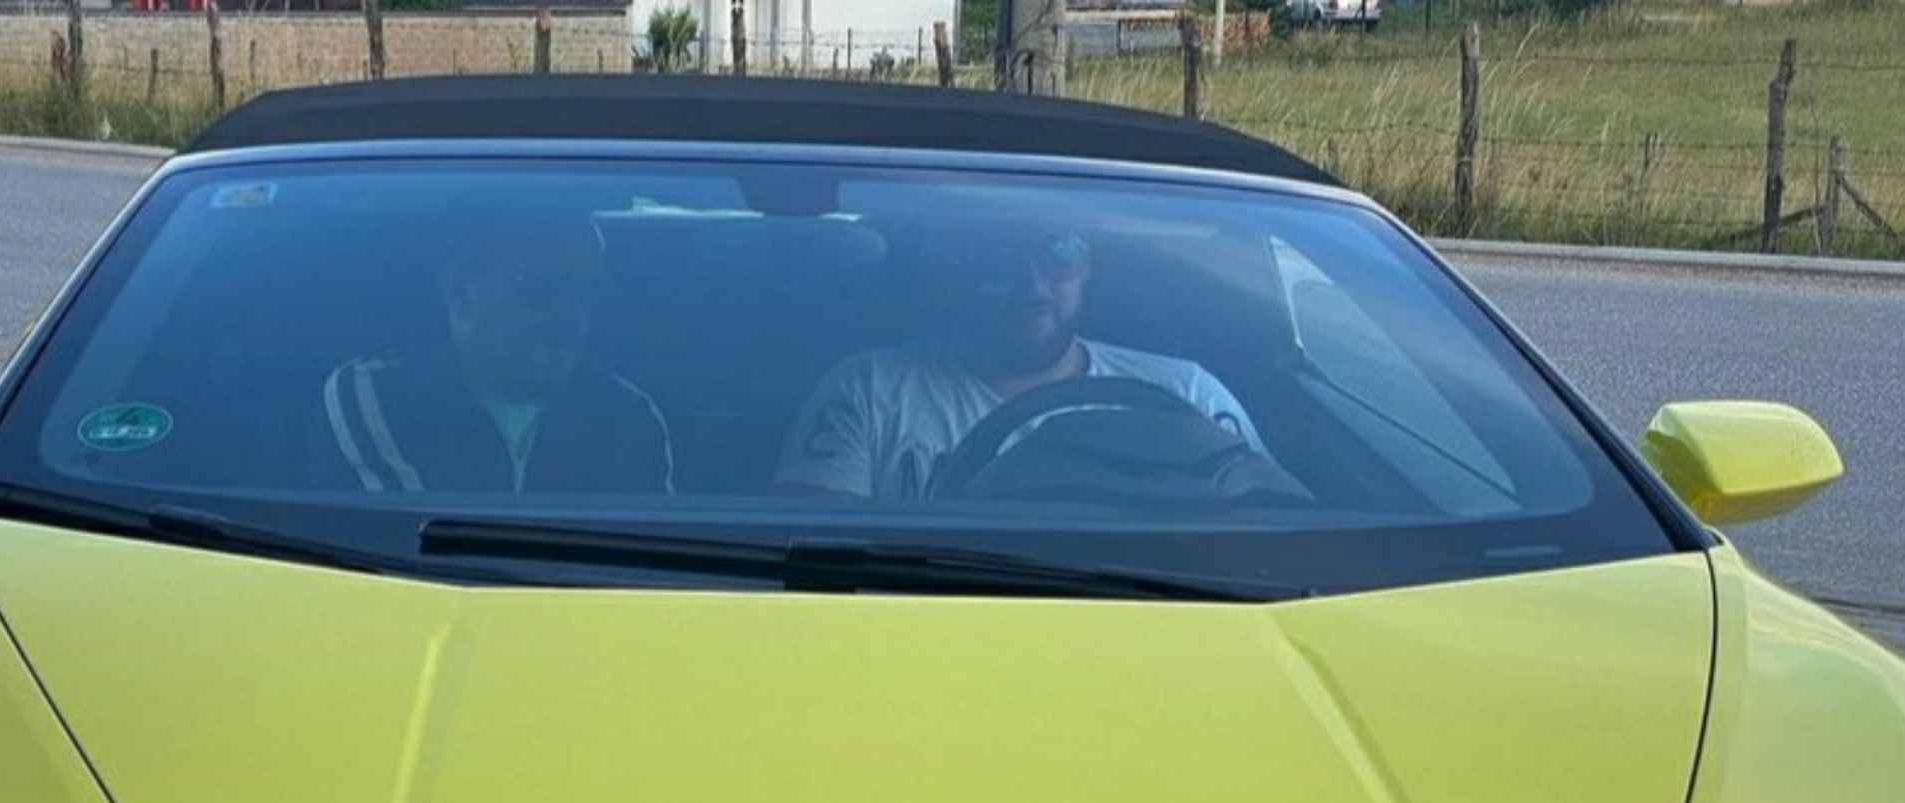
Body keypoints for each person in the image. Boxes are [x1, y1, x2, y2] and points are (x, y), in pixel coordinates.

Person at [775, 221, 1262, 500]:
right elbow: (816, 573)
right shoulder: (869, 393)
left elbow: (1266, 521)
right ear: (958, 273)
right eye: (1001, 260)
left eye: (1060, 254)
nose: (1033, 285)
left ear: (1088, 265)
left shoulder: (1188, 395)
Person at [324, 214, 673, 494]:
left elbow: (654, 553)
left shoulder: (628, 414)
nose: (572, 317)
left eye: (588, 295)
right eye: (542, 288)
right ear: (460, 295)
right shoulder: (379, 392)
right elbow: (420, 538)